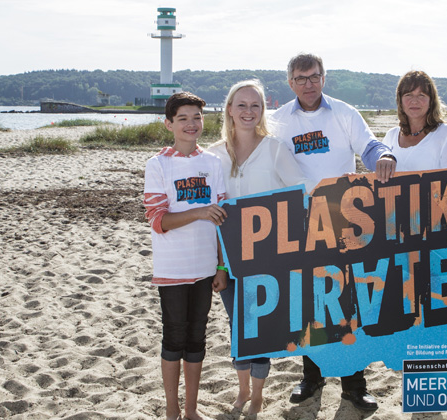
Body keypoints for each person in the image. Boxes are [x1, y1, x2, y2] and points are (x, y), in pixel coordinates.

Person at [269, 52, 397, 412]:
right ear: (290, 83)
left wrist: (384, 158)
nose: (308, 84)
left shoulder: (344, 113)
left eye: (314, 77)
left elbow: (371, 146)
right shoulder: (278, 120)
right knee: (309, 305)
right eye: (300, 78)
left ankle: (355, 386)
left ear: (324, 78)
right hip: (301, 223)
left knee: (348, 303)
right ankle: (311, 378)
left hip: (346, 220)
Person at [207, 79, 313, 415]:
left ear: (263, 110)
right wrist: (218, 263)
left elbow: (301, 196)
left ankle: (257, 395)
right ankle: (241, 391)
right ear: (229, 109)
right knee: (238, 326)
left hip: (267, 258)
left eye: (255, 105)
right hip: (225, 258)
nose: (248, 111)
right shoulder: (211, 155)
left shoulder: (275, 148)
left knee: (259, 328)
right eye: (242, 105)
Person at [143, 92, 229, 420]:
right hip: (172, 267)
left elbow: (221, 220)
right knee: (174, 337)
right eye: (183, 118)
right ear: (169, 124)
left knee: (197, 338)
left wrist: (221, 265)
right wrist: (199, 211)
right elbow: (159, 220)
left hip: (205, 266)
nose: (191, 124)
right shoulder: (158, 164)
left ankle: (191, 410)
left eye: (196, 117)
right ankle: (171, 409)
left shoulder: (212, 163)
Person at [382, 70, 447, 172]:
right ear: (400, 100)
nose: (414, 101)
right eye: (408, 95)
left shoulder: (446, 134)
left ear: (431, 101)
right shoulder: (391, 136)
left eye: (421, 95)